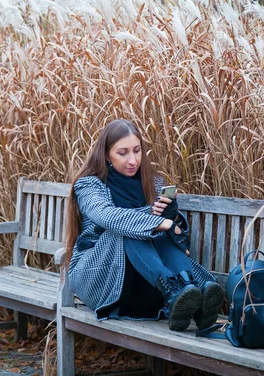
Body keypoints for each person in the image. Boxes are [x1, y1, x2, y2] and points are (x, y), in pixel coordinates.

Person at [65, 119, 224, 331]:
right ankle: (175, 291)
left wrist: (171, 216)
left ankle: (188, 291)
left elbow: (175, 235)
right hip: (102, 277)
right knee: (128, 230)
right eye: (123, 153)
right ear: (106, 154)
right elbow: (106, 215)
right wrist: (159, 221)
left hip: (145, 282)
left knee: (156, 232)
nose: (133, 160)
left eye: (137, 151)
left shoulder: (154, 183)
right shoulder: (89, 184)